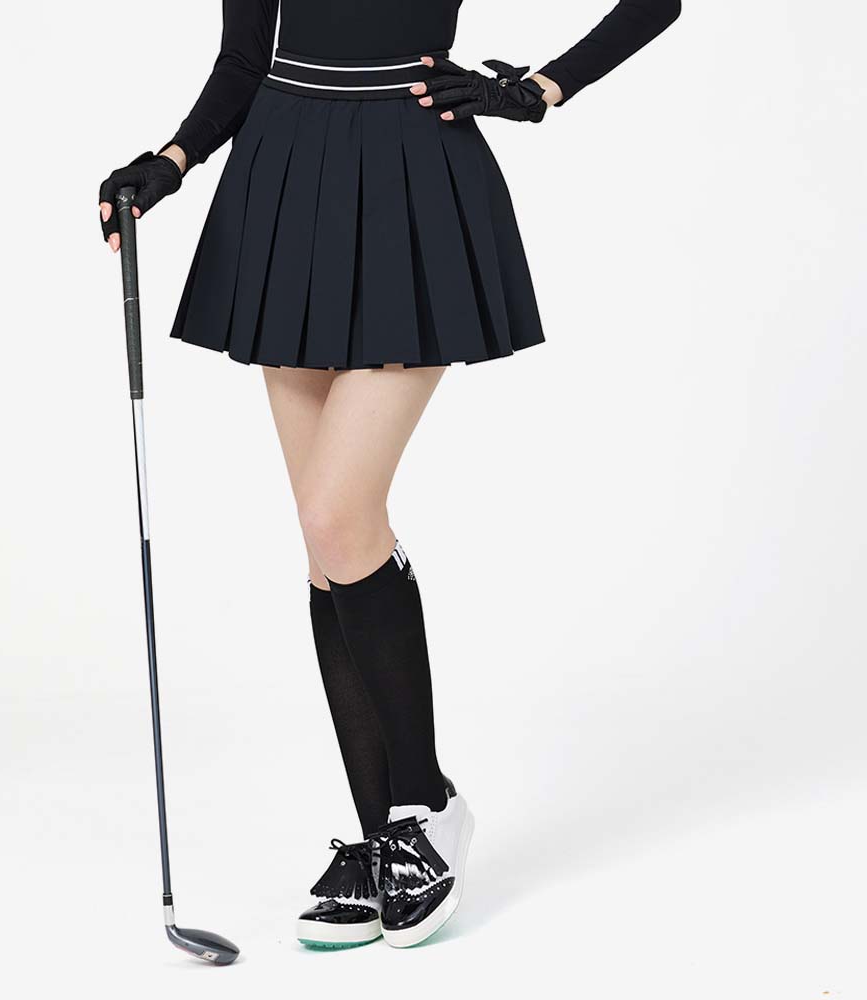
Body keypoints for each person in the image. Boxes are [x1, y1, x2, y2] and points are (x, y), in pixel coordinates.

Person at [99, 0, 681, 951]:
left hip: (413, 179)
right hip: (284, 178)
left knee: (338, 517)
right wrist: (168, 162)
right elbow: (244, 59)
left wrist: (538, 90)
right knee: (328, 547)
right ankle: (383, 837)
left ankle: (427, 808)